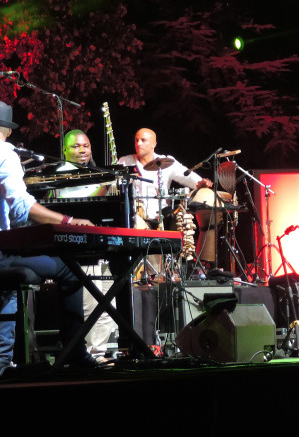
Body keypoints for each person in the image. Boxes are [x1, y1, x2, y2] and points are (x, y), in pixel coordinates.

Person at [0, 102, 97, 375]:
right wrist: (67, 221)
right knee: (70, 269)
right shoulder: (4, 153)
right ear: (7, 130)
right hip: (2, 253)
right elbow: (21, 209)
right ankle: (73, 352)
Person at [55, 129, 117, 362]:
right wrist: (105, 186)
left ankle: (98, 353)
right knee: (90, 303)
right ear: (65, 150)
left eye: (86, 146)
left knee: (106, 302)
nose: (82, 150)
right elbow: (84, 204)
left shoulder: (95, 173)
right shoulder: (62, 173)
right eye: (76, 146)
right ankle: (87, 355)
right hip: (79, 248)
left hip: (101, 245)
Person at [118, 128, 212, 227]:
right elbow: (114, 185)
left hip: (163, 218)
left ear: (154, 144)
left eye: (143, 140)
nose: (138, 144)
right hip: (137, 218)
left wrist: (200, 183)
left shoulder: (167, 161)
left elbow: (186, 175)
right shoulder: (125, 161)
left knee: (182, 218)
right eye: (136, 140)